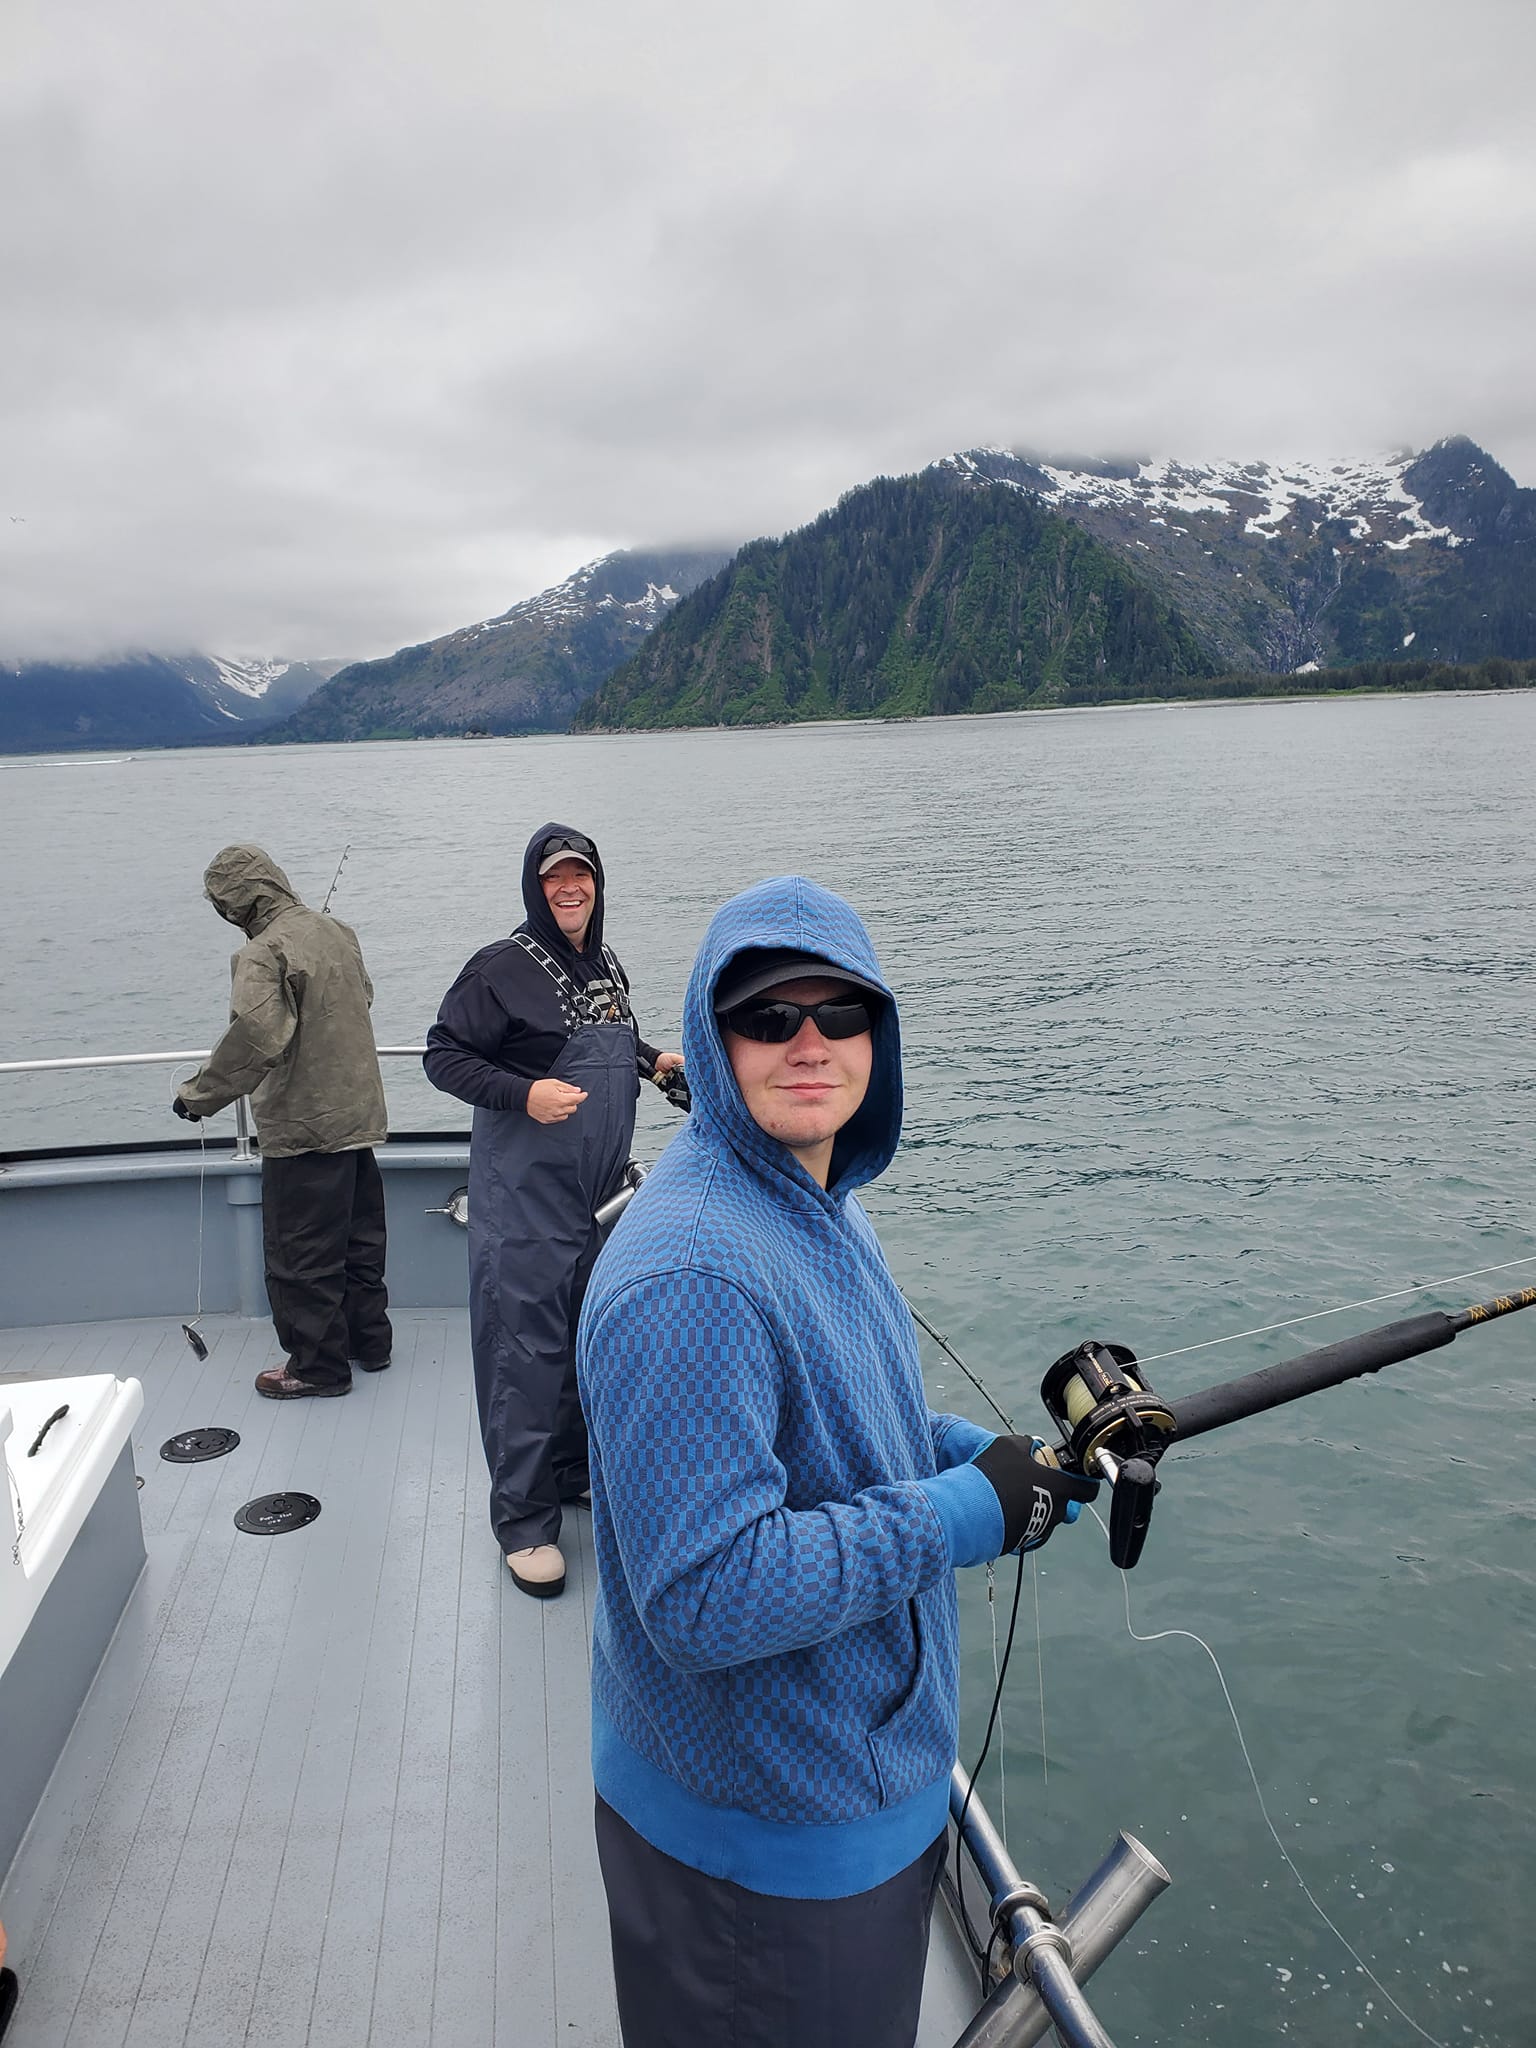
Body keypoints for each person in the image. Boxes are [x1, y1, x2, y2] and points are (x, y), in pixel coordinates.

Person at [575, 875, 1098, 2048]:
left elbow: (846, 1425)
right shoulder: (691, 1272)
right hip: (764, 1850)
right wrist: (963, 1514)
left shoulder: (820, 1195)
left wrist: (987, 1464)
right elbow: (704, 1592)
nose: (809, 1042)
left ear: (878, 1032)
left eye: (840, 1011)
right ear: (714, 1041)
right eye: (768, 1016)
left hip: (846, 1799)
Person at [423, 823, 681, 1600]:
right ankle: (524, 1523)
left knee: (581, 1344)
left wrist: (652, 1061)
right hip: (525, 1201)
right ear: (535, 889)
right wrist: (523, 1094)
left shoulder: (604, 963)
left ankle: (570, 1473)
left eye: (581, 875)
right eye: (553, 878)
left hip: (595, 1197)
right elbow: (444, 1055)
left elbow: (612, 1039)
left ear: (597, 883)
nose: (569, 889)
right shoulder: (500, 968)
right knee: (523, 1358)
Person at [173, 844, 391, 1399]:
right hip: (358, 1117)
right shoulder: (337, 931)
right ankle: (370, 1343)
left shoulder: (262, 952)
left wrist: (198, 1097)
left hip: (303, 1129)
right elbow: (363, 996)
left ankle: (318, 1368)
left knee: (301, 1257)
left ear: (233, 904)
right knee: (359, 1243)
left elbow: (255, 1038)